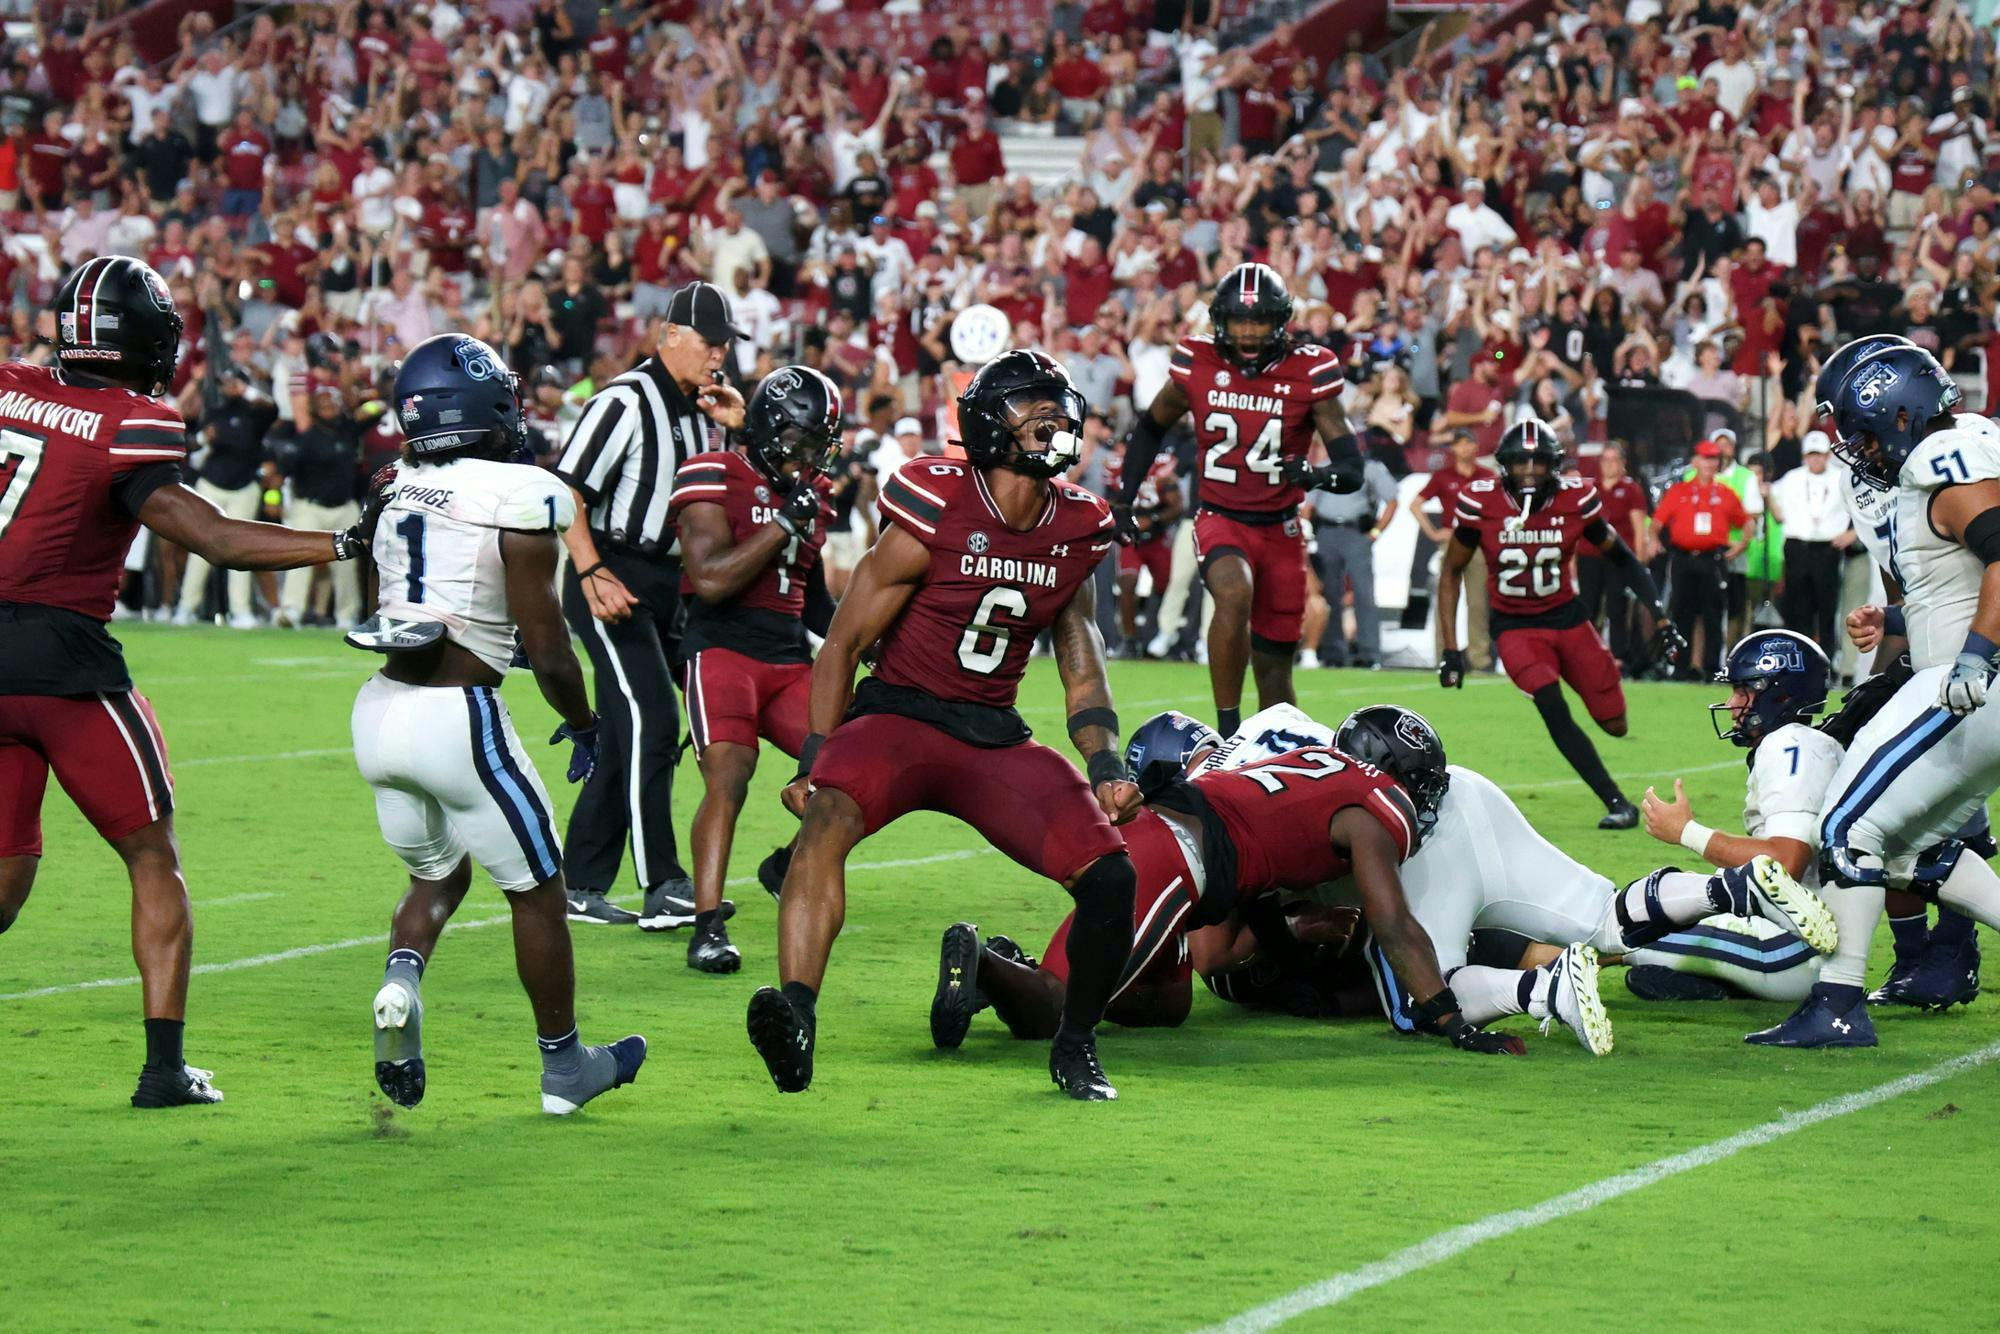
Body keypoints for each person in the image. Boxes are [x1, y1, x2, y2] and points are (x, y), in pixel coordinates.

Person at [0, 255, 367, 1108]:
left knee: (7, 874)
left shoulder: (11, 383)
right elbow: (214, 537)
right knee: (151, 853)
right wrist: (342, 543)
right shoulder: (132, 421)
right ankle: (164, 1069)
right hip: (63, 664)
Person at [750, 351, 1141, 1101]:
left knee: (1112, 876)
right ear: (991, 424)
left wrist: (1106, 764)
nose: (1052, 419)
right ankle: (796, 1015)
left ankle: (1077, 1045)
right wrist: (812, 756)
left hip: (993, 731)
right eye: (1033, 406)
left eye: (1056, 404)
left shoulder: (1079, 526)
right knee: (826, 817)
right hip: (898, 714)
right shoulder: (936, 503)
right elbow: (845, 645)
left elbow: (1081, 663)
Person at [350, 334, 645, 1115]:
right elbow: (546, 649)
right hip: (458, 715)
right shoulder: (519, 490)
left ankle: (401, 979)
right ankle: (564, 1069)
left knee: (437, 873)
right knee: (540, 893)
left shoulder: (395, 480)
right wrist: (585, 722)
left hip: (378, 713)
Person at [932, 704, 1538, 1054]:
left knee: (1168, 1004)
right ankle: (982, 960)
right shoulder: (1381, 807)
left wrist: (1289, 947)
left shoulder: (1314, 763)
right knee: (1057, 1011)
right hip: (1174, 856)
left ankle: (1008, 966)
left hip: (1171, 844)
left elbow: (1261, 873)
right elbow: (1393, 922)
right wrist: (1450, 1021)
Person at [1770, 343, 2000, 1046]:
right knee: (1904, 844)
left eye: (1863, 432)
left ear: (1900, 413)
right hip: (1968, 684)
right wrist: (1894, 620)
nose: (1859, 450)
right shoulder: (1960, 449)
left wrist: (1975, 658)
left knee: (1844, 827)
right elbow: (1955, 583)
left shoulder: (1945, 462)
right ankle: (1841, 998)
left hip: (1971, 689)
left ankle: (1836, 1004)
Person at [551, 282, 746, 929]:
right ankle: (662, 881)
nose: (719, 355)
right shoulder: (626, 401)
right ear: (670, 336)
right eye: (711, 342)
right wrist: (591, 570)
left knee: (633, 730)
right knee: (655, 722)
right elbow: (566, 492)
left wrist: (740, 431)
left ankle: (577, 883)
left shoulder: (705, 410)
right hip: (613, 571)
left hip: (672, 583)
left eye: (725, 344)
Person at [1117, 261, 1361, 738]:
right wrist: (1124, 500)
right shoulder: (1197, 360)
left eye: (1260, 321)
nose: (1248, 333)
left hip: (1282, 529)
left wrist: (1315, 475)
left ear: (1281, 322)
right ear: (1220, 322)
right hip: (1221, 516)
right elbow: (1149, 427)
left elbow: (1350, 468)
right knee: (1234, 592)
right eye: (1239, 321)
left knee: (1276, 675)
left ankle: (1282, 752)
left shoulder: (1309, 370)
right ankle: (1228, 733)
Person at [668, 366, 841, 973]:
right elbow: (711, 579)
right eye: (802, 442)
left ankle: (785, 863)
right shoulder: (711, 473)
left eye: (820, 444)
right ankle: (707, 924)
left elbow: (814, 600)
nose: (811, 457)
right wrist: (782, 526)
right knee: (728, 774)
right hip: (722, 653)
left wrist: (870, 639)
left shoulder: (813, 497)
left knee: (854, 767)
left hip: (790, 657)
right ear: (770, 430)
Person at [1437, 420, 1676, 829]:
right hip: (1516, 628)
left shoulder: (1575, 499)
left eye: (1538, 461)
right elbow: (1450, 573)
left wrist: (1661, 616)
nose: (1529, 470)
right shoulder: (1482, 503)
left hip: (1568, 618)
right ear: (1504, 465)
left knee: (1615, 724)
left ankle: (1612, 782)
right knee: (1552, 704)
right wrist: (1451, 650)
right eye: (1520, 461)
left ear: (1555, 465)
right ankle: (1616, 801)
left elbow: (1623, 558)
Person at [172, 364, 280, 627]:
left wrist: (247, 390)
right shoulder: (216, 412)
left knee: (238, 549)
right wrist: (203, 437)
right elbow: (192, 443)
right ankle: (186, 607)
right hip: (210, 485)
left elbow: (273, 408)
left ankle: (240, 610)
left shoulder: (256, 414)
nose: (227, 387)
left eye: (232, 383)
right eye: (225, 383)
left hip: (244, 487)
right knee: (200, 548)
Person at [1654, 441, 1750, 677]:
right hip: (1683, 558)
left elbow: (1746, 521)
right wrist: (1654, 541)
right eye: (1706, 458)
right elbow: (1657, 523)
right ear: (1695, 461)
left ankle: (1710, 667)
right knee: (1680, 611)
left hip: (1712, 559)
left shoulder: (1725, 493)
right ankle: (1680, 667)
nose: (1710, 463)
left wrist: (1741, 545)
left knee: (1713, 613)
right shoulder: (1679, 491)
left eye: (1714, 459)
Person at [275, 385, 365, 628]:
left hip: (345, 507)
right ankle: (291, 610)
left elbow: (375, 408)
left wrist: (358, 397)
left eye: (334, 403)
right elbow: (280, 475)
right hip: (310, 507)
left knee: (347, 565)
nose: (330, 408)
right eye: (324, 404)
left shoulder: (350, 430)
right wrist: (273, 500)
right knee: (300, 557)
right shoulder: (306, 439)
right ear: (315, 409)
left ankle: (347, 614)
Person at [1308, 449, 1397, 668]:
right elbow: (1309, 504)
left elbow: (1393, 501)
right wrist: (1308, 532)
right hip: (1326, 530)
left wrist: (1374, 534)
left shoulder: (1370, 467)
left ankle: (1370, 653)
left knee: (1363, 592)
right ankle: (1333, 652)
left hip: (1357, 531)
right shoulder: (1325, 466)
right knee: (1330, 593)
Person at [1768, 432, 1853, 657]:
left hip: (1827, 548)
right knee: (1797, 609)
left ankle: (1825, 662)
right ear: (1804, 456)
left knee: (1826, 609)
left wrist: (1853, 534)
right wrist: (1765, 494)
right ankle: (1797, 660)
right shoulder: (1791, 478)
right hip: (1797, 547)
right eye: (1811, 455)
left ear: (1827, 456)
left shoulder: (1841, 478)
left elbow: (1860, 509)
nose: (1815, 460)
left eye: (1820, 455)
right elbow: (1775, 510)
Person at [1414, 429, 1491, 669]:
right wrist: (1434, 532)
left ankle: (1480, 659)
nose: (1466, 448)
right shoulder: (1443, 476)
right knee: (1446, 599)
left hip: (1479, 542)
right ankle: (1444, 656)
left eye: (1470, 443)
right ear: (1454, 448)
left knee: (1478, 602)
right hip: (1452, 540)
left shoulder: (1487, 476)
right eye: (1462, 443)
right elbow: (1415, 504)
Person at [1575, 442, 1653, 667]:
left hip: (1617, 556)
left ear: (1623, 463)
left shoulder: (1631, 490)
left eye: (1614, 460)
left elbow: (1638, 526)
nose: (1609, 465)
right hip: (1589, 555)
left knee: (1617, 607)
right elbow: (1579, 526)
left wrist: (1639, 559)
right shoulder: (1591, 489)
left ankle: (1618, 656)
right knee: (1588, 606)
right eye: (1606, 460)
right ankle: (1587, 654)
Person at [1115, 445, 1181, 657]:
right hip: (1131, 538)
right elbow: (1107, 500)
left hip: (1156, 537)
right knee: (1127, 583)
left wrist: (1153, 519)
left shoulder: (1162, 471)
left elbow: (1178, 506)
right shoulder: (1117, 469)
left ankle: (1157, 633)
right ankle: (1130, 640)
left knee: (1167, 585)